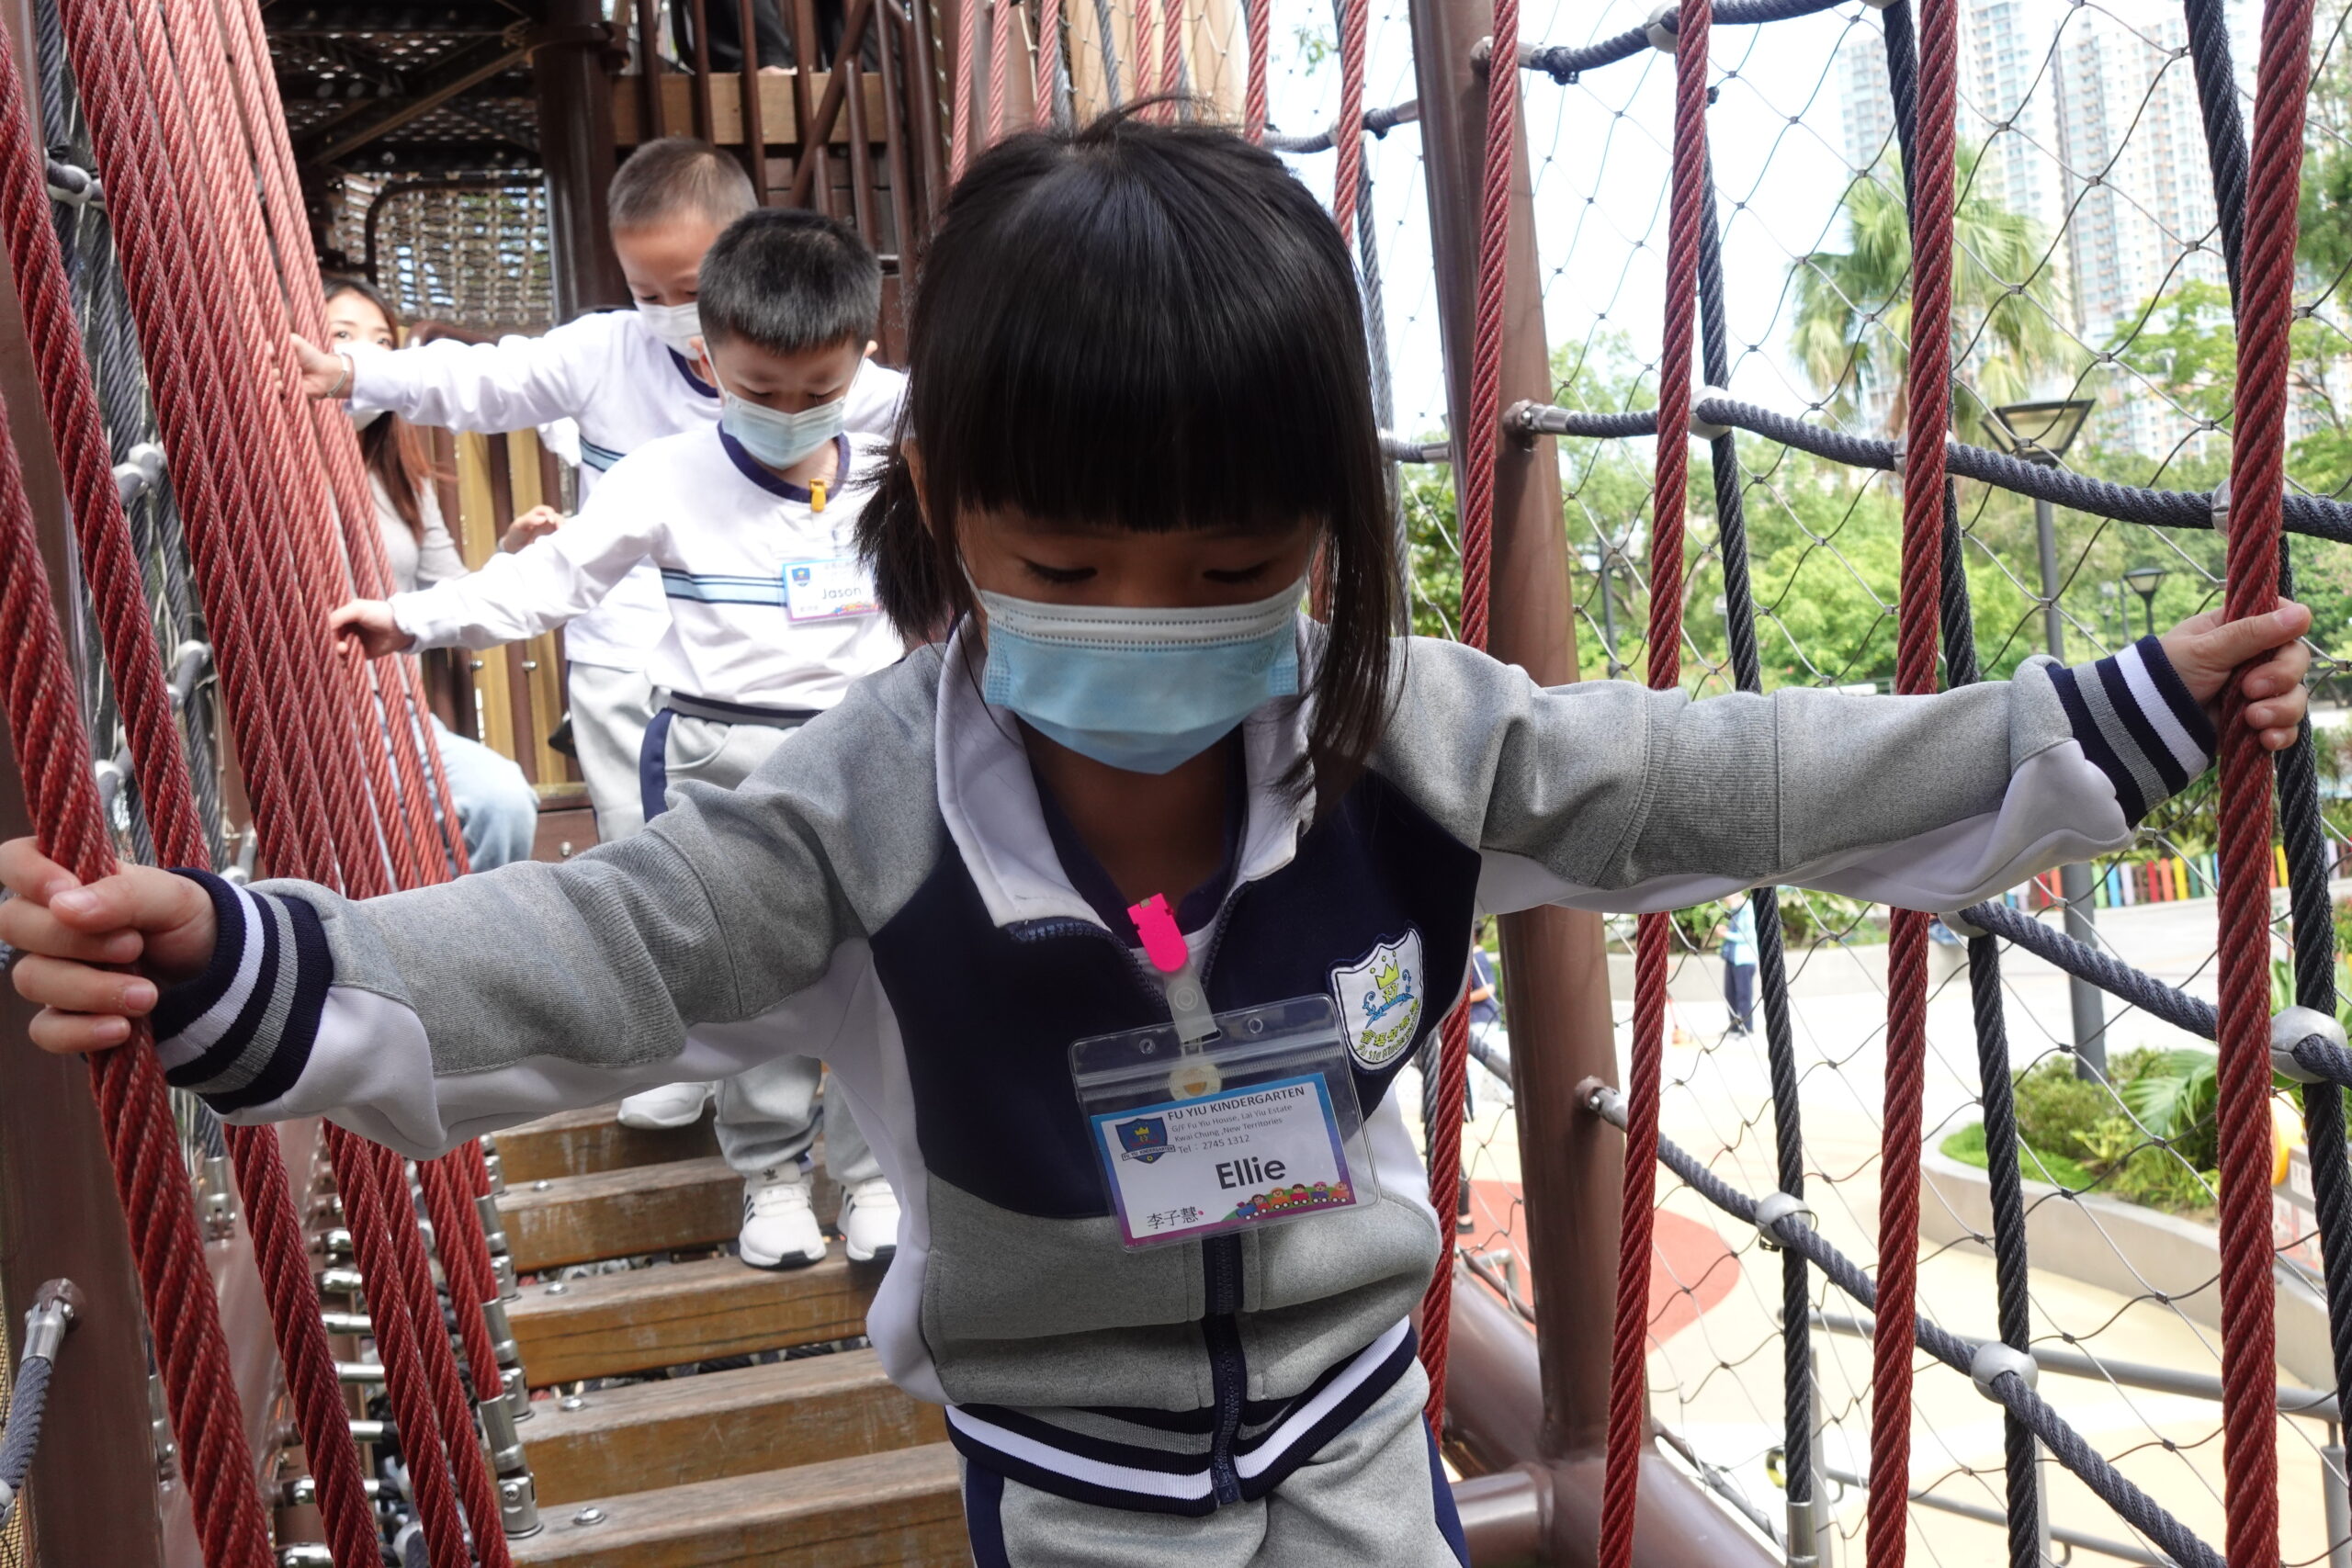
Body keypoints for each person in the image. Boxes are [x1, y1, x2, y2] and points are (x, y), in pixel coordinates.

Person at [3, 114, 2314, 1566]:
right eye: (1068, 562)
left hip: (1358, 1427)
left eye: (1229, 565)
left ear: (1324, 530)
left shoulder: (1408, 735)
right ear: (942, 510)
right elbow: (586, 944)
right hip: (1069, 1473)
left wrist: (2095, 713)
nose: (1147, 616)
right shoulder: (856, 815)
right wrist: (244, 957)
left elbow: (1730, 777)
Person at [328, 210, 905, 1272]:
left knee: (884, 968)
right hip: (726, 751)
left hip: (866, 749)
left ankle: (872, 1178)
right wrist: (412, 620)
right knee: (757, 969)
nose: (788, 412)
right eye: (761, 389)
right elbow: (554, 580)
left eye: (816, 391)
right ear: (709, 361)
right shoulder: (665, 473)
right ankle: (773, 1175)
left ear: (860, 366)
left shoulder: (890, 464)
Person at [288, 136, 907, 846]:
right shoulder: (617, 379)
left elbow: (945, 414)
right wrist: (353, 373)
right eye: (648, 294)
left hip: (808, 690)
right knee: (650, 849)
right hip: (630, 651)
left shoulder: (844, 398)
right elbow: (483, 381)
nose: (671, 310)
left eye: (689, 290)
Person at [321, 277, 545, 873]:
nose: (364, 354)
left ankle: (470, 928)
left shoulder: (404, 484)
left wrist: (512, 551)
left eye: (382, 344)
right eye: (342, 335)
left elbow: (452, 594)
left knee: (502, 800)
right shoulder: (261, 467)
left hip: (397, 713)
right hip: (313, 713)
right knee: (376, 858)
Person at [1718, 889, 1758, 1037]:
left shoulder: (1748, 909)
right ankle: (1734, 1026)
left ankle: (1747, 1027)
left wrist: (1726, 934)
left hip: (1744, 960)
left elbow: (1748, 935)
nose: (1725, 900)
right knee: (1730, 994)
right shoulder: (1734, 910)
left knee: (1743, 995)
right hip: (1732, 958)